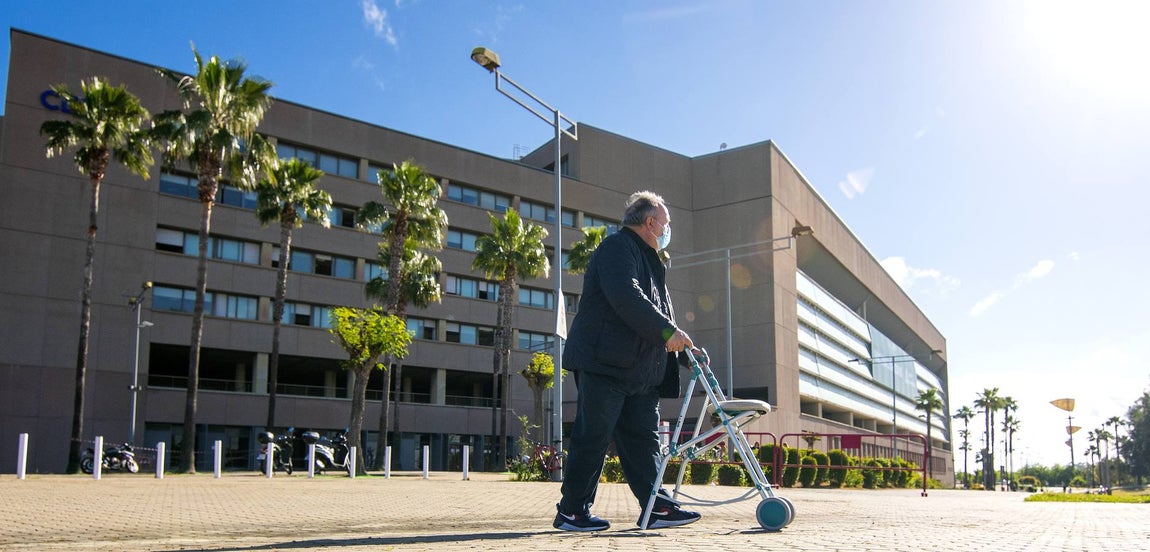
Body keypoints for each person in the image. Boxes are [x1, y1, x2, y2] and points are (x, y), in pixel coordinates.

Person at [552, 191, 701, 532]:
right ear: (650, 222)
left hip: (639, 372)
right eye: (665, 223)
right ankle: (572, 511)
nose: (667, 229)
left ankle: (656, 507)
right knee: (594, 437)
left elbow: (660, 318)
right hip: (606, 364)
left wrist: (685, 354)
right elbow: (627, 297)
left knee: (643, 441)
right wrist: (668, 333)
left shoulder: (650, 259)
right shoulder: (617, 248)